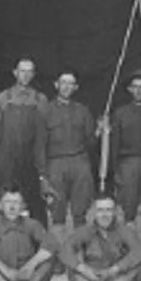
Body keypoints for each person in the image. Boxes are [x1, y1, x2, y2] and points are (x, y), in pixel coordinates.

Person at [62, 191, 141, 281]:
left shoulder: (124, 231)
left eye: (108, 210)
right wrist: (83, 269)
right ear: (94, 213)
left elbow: (139, 253)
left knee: (139, 265)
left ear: (115, 212)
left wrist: (114, 269)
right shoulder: (85, 231)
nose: (104, 214)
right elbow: (65, 249)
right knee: (70, 266)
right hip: (92, 280)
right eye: (100, 210)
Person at [0, 58, 47, 214]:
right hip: (7, 160)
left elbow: (43, 134)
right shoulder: (3, 97)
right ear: (15, 73)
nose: (26, 75)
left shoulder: (40, 99)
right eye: (22, 71)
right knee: (8, 203)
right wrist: (4, 154)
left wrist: (38, 161)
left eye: (29, 71)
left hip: (31, 160)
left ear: (34, 74)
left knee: (32, 204)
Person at [41, 69, 97, 230]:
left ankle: (79, 250)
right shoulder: (45, 110)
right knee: (57, 211)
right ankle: (59, 251)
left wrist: (100, 131)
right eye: (63, 83)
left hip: (80, 162)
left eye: (70, 83)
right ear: (56, 85)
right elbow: (39, 145)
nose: (66, 87)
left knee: (81, 211)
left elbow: (91, 142)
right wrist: (42, 174)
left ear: (76, 87)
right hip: (55, 164)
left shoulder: (83, 110)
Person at [104, 69, 141, 225]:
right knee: (128, 205)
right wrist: (113, 169)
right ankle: (128, 244)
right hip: (126, 163)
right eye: (135, 86)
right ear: (129, 89)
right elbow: (114, 143)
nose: (139, 90)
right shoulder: (120, 113)